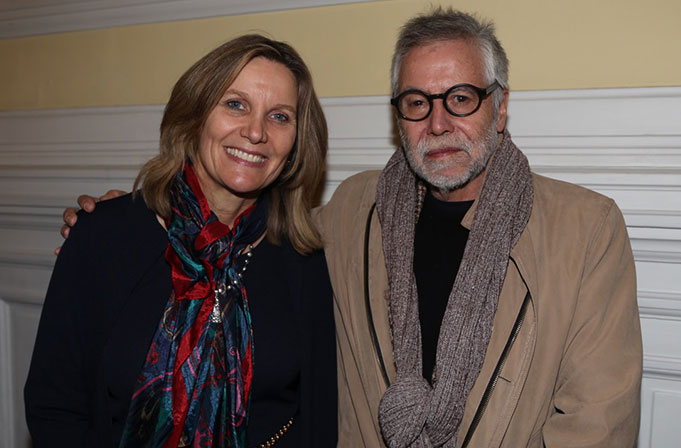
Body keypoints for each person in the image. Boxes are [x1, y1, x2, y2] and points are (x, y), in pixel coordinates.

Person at [60, 8, 643, 448]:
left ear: (501, 105)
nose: (438, 122)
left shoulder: (586, 230)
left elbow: (597, 424)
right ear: (399, 116)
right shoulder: (352, 210)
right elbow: (237, 230)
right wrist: (136, 220)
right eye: (416, 102)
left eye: (461, 98)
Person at [25, 34, 337, 448]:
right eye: (236, 104)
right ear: (194, 116)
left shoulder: (302, 257)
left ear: (296, 142)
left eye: (279, 116)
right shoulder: (104, 236)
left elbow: (317, 418)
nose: (256, 132)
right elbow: (54, 406)